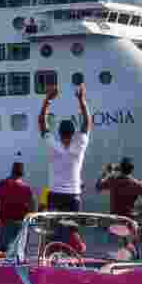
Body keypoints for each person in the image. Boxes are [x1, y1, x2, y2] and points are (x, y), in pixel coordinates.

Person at [37, 82, 92, 212]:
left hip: (54, 195)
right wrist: (81, 100)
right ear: (73, 134)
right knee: (72, 229)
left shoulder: (53, 145)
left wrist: (47, 100)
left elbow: (41, 122)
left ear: (59, 133)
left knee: (53, 230)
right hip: (73, 195)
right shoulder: (79, 146)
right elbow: (87, 122)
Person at [0, 162, 37, 252]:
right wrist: (31, 220)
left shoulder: (1, 184)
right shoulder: (26, 187)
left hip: (5, 222)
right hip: (21, 223)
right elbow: (32, 204)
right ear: (22, 173)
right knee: (20, 250)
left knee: (3, 251)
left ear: (12, 171)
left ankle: (3, 265)